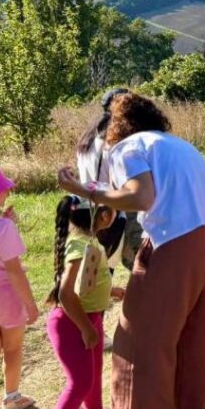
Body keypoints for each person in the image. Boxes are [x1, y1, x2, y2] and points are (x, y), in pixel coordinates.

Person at [57, 92, 205, 409]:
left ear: (117, 130)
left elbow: (140, 197)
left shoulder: (127, 147)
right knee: (196, 338)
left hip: (176, 240)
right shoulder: (179, 145)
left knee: (139, 341)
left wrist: (83, 188)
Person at [43, 195, 124, 409]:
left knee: (94, 373)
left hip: (90, 318)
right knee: (79, 382)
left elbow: (86, 283)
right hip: (72, 323)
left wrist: (111, 291)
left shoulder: (89, 241)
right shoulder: (80, 244)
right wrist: (86, 329)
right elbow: (67, 294)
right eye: (114, 210)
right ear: (102, 215)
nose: (116, 214)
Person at [0, 166, 38, 409]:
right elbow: (14, 270)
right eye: (2, 188)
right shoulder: (2, 228)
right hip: (6, 295)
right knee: (13, 348)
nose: (8, 190)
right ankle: (12, 398)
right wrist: (30, 304)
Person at [76, 88, 139, 274]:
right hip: (110, 213)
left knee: (96, 275)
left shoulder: (88, 137)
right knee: (134, 266)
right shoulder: (113, 141)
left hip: (90, 210)